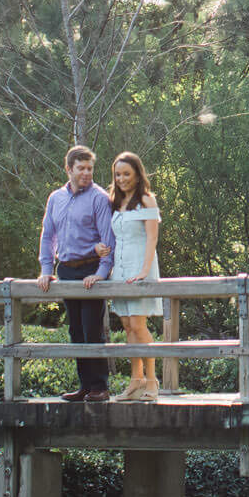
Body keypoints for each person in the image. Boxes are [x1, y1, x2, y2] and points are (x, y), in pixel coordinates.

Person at [36, 144, 115, 402]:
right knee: (76, 331)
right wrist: (46, 270)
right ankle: (84, 386)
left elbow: (108, 240)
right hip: (66, 270)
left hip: (91, 269)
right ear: (68, 169)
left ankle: (99, 386)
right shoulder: (55, 198)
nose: (86, 173)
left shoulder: (99, 198)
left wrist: (102, 274)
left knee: (93, 330)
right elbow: (48, 236)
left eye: (90, 168)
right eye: (81, 168)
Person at [105, 151, 164, 401]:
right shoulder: (115, 202)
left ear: (138, 174)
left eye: (126, 174)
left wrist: (143, 271)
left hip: (141, 266)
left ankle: (152, 380)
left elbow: (152, 238)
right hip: (120, 269)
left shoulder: (146, 201)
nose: (121, 178)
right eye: (118, 174)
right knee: (127, 325)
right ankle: (135, 380)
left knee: (139, 325)